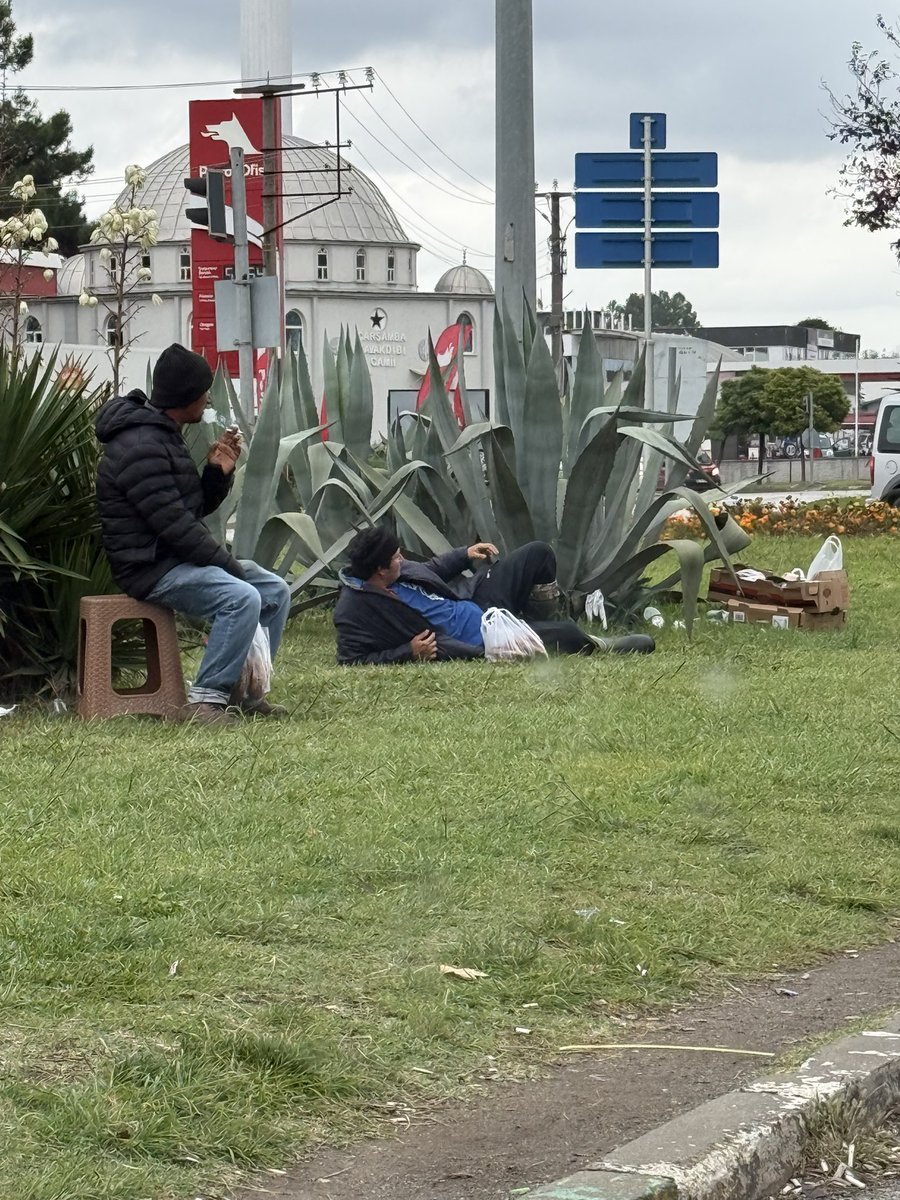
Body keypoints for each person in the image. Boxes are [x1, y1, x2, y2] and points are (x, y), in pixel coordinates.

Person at [95, 343, 291, 725]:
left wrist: (217, 472)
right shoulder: (140, 445)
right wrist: (229, 565)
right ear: (186, 396)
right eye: (204, 390)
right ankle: (206, 701)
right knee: (239, 596)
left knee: (274, 592)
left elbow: (190, 509)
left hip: (174, 559)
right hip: (150, 568)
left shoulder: (163, 434)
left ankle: (248, 692)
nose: (208, 397)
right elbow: (175, 526)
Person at [333, 527, 654, 665]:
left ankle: (537, 623)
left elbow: (430, 568)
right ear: (378, 570)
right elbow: (352, 659)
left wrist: (464, 554)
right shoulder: (354, 609)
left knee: (537, 554)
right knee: (569, 635)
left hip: (478, 604)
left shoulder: (397, 571)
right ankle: (597, 644)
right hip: (480, 637)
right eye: (396, 559)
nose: (402, 561)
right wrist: (407, 652)